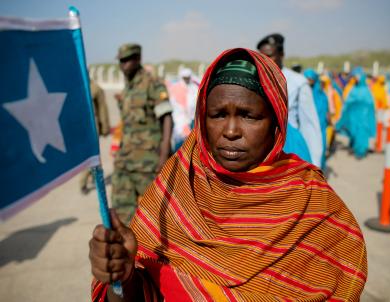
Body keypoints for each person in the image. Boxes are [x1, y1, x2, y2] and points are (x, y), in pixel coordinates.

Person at [89, 48, 367, 301]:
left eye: (249, 115)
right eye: (218, 114)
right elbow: (137, 293)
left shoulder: (313, 204)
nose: (231, 131)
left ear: (276, 123)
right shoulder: (177, 184)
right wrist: (123, 278)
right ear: (202, 118)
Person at [112, 43, 173, 223]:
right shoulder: (127, 88)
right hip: (125, 161)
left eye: (126, 61)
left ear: (137, 59)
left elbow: (167, 117)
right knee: (122, 215)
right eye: (120, 61)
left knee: (155, 215)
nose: (123, 66)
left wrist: (164, 154)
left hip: (148, 163)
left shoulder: (152, 82)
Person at [257, 33, 323, 167]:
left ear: (281, 54)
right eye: (261, 57)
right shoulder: (253, 79)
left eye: (269, 55)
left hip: (290, 147)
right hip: (260, 149)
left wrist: (315, 163)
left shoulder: (299, 83)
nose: (265, 60)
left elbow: (310, 125)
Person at [336, 67, 376, 158]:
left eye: (358, 76)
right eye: (355, 76)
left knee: (362, 133)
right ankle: (355, 147)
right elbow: (348, 102)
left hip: (363, 116)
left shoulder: (366, 90)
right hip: (354, 116)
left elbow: (370, 105)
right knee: (354, 132)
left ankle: (361, 151)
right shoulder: (353, 89)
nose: (356, 78)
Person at [80, 79, 110, 194]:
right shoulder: (80, 87)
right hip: (85, 128)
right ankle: (84, 181)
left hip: (92, 127)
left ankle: (91, 178)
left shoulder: (95, 88)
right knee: (91, 157)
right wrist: (105, 128)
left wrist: (105, 127)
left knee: (90, 155)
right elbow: (103, 109)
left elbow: (102, 109)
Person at [167, 68, 199, 151]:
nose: (186, 79)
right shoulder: (175, 88)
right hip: (179, 119)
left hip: (192, 119)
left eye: (188, 77)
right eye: (185, 77)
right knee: (179, 141)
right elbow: (173, 103)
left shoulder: (194, 87)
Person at [304, 69, 329, 169]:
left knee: (319, 151)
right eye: (306, 79)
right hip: (304, 128)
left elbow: (325, 112)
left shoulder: (322, 96)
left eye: (311, 79)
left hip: (320, 127)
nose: (308, 81)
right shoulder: (303, 94)